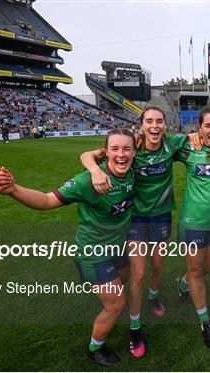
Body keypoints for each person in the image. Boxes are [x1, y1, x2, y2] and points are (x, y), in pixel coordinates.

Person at [0, 128, 137, 367]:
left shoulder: (131, 170)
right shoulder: (87, 181)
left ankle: (110, 303)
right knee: (117, 304)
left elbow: (91, 153)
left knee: (123, 282)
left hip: (117, 247)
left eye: (126, 149)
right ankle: (94, 348)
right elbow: (47, 200)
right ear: (106, 152)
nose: (121, 154)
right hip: (92, 252)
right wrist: (14, 190)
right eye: (115, 149)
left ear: (134, 152)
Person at [80, 107, 189, 358]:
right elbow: (88, 155)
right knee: (138, 272)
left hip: (161, 215)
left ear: (165, 125)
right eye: (149, 121)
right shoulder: (131, 147)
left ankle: (153, 296)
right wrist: (95, 170)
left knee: (159, 265)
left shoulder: (171, 145)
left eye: (159, 121)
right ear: (141, 124)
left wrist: (195, 136)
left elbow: (201, 139)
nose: (154, 126)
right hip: (136, 219)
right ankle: (135, 325)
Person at [174, 104, 210, 349]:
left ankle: (182, 283)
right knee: (198, 272)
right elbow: (153, 144)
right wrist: (184, 137)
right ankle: (205, 321)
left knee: (206, 269)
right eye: (207, 125)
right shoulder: (188, 147)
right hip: (192, 223)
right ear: (199, 128)